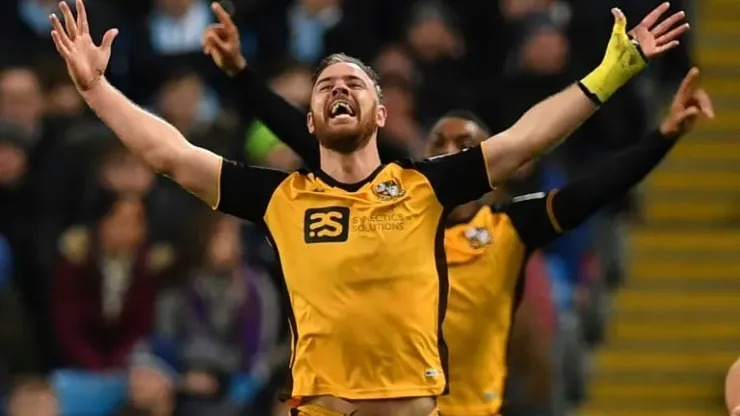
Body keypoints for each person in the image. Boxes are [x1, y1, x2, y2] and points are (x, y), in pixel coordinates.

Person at [50, 1, 686, 415]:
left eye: (354, 82)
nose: (339, 88)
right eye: (326, 85)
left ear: (380, 114)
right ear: (311, 120)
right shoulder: (281, 198)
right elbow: (170, 154)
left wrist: (610, 73)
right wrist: (97, 88)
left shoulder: (424, 186)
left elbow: (525, 139)